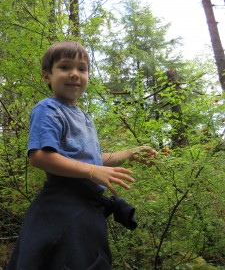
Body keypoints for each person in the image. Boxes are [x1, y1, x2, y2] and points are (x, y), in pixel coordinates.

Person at [6, 40, 157, 270]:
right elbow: (39, 156)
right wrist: (92, 171)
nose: (75, 74)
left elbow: (90, 159)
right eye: (65, 67)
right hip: (61, 209)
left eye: (82, 69)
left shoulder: (84, 117)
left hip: (87, 210)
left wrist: (129, 154)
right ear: (47, 76)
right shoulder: (49, 109)